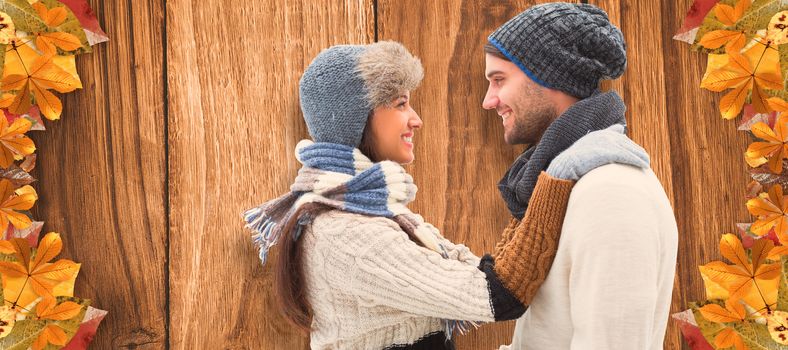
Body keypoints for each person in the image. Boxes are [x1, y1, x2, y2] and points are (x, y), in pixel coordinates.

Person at [244, 41, 649, 350]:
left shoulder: (378, 213)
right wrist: (556, 175)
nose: (415, 119)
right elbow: (496, 294)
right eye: (401, 104)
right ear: (358, 119)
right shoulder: (344, 234)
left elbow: (477, 271)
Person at [482, 3, 679, 350]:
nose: (489, 100)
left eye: (500, 80)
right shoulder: (567, 183)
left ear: (549, 77)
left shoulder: (610, 192)